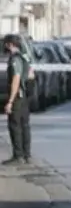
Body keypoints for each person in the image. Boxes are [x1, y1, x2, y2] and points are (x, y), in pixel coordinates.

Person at [3, 34, 31, 165]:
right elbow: (31, 75)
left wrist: (10, 101)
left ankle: (18, 156)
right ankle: (26, 154)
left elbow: (15, 79)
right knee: (25, 126)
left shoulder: (15, 59)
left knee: (15, 126)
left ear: (10, 44)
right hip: (24, 96)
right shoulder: (24, 57)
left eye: (6, 44)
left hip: (17, 97)